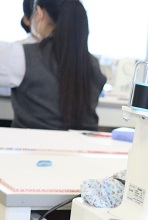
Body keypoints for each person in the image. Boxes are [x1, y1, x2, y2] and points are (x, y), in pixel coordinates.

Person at [0, 0, 106, 130]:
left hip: (32, 141)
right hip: (81, 142)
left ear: (40, 13)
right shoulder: (93, 64)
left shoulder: (22, 55)